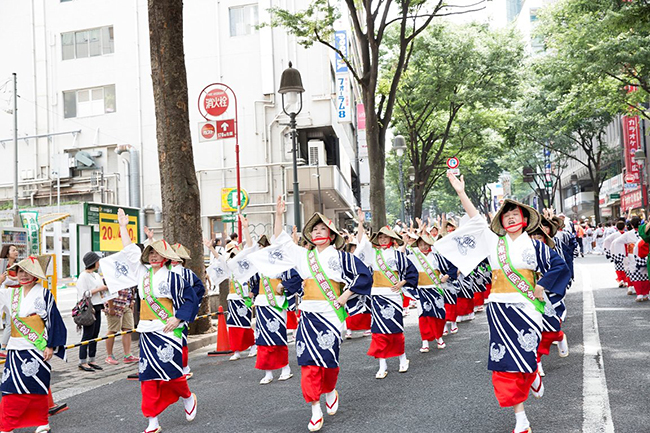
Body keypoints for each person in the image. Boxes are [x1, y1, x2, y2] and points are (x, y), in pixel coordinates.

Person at [443, 173, 570, 433]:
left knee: (526, 355)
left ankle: (533, 371)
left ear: (524, 221)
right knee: (505, 364)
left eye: (516, 214)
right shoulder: (493, 242)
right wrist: (460, 191)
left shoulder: (535, 246)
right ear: (501, 221)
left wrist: (541, 285)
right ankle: (520, 418)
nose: (511, 217)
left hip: (527, 309)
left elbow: (559, 266)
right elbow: (476, 219)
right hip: (499, 309)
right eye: (506, 214)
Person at [254, 196, 372, 432]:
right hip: (307, 316)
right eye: (314, 229)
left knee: (328, 362)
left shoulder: (341, 257)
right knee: (308, 363)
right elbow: (281, 241)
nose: (318, 232)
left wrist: (345, 295)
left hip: (331, 315)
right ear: (310, 235)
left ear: (330, 235)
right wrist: (278, 215)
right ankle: (315, 408)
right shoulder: (303, 256)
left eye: (322, 229)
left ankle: (329, 390)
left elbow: (363, 276)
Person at [115, 208, 198, 433]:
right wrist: (123, 226)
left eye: (157, 253)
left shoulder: (174, 277)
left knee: (172, 372)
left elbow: (189, 299)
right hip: (147, 330)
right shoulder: (141, 273)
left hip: (168, 330)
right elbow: (129, 251)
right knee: (148, 376)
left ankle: (188, 397)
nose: (153, 256)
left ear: (165, 257)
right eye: (150, 253)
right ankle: (152, 420)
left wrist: (178, 318)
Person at [0, 255, 66, 433]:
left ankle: (42, 422)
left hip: (37, 347)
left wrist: (50, 345)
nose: (23, 275)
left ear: (35, 275)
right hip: (15, 348)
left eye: (27, 272)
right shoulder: (10, 293)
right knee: (9, 387)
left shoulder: (44, 293)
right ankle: (7, 425)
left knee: (38, 386)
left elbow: (53, 320)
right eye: (20, 271)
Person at [355, 222, 418, 379]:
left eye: (386, 237)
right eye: (380, 237)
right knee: (378, 332)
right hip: (377, 296)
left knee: (395, 330)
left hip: (393, 296)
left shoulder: (398, 255)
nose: (383, 240)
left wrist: (402, 283)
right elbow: (361, 242)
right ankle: (382, 364)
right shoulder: (373, 254)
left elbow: (411, 272)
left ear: (392, 239)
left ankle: (402, 358)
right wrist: (361, 223)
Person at [405, 232, 448, 352]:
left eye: (426, 244)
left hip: (436, 289)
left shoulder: (436, 256)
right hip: (421, 291)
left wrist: (446, 276)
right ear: (417, 245)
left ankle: (439, 337)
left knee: (439, 315)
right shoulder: (412, 257)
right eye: (421, 244)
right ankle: (425, 341)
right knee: (423, 316)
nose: (424, 246)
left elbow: (450, 267)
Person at [170, 243, 205, 378]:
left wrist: (189, 302)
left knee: (180, 338)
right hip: (178, 310)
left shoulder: (186, 273)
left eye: (177, 258)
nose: (174, 260)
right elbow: (199, 289)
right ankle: (181, 367)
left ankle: (183, 367)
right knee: (179, 339)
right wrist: (190, 303)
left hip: (178, 311)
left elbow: (199, 289)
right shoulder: (169, 272)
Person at [76, 252, 109, 371]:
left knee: (95, 334)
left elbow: (101, 292)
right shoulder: (83, 276)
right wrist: (99, 289)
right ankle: (82, 361)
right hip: (89, 309)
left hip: (98, 306)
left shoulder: (96, 275)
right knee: (87, 335)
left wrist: (104, 301)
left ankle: (92, 359)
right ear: (93, 262)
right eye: (97, 261)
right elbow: (83, 294)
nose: (99, 263)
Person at [104, 285, 139, 366]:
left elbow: (132, 289)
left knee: (128, 330)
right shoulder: (111, 274)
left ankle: (128, 355)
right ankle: (109, 356)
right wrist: (111, 307)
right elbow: (107, 292)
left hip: (127, 304)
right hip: (115, 304)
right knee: (112, 330)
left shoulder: (128, 274)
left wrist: (132, 302)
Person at [0, 244, 20, 358]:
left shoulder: (16, 266)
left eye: (16, 250)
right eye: (13, 250)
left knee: (13, 322)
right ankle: (3, 347)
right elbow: (6, 281)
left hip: (16, 296)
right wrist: (18, 279)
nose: (16, 252)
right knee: (9, 323)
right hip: (8, 297)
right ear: (7, 253)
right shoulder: (4, 266)